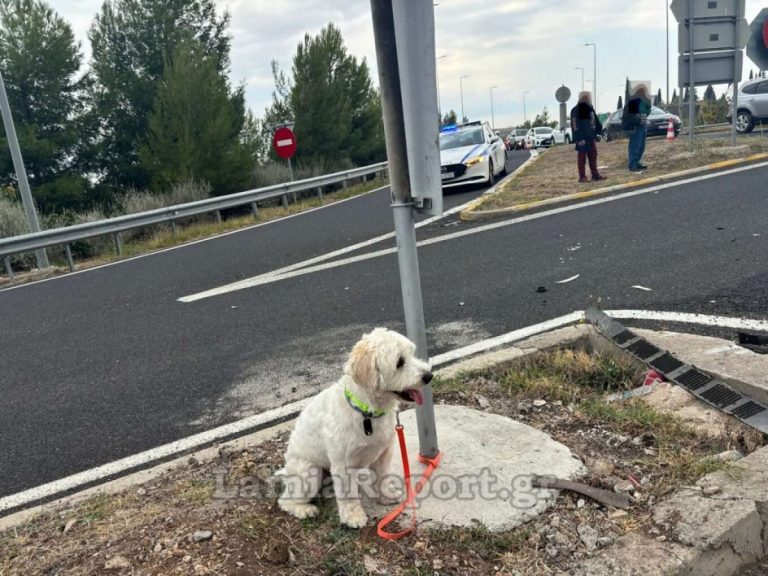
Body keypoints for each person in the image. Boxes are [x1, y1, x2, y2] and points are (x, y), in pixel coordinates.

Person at [570, 91, 606, 183]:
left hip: (591, 138)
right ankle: (582, 177)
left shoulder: (590, 109)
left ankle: (595, 175)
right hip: (582, 139)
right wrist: (579, 138)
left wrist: (599, 131)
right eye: (586, 97)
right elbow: (575, 125)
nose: (588, 98)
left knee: (593, 156)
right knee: (582, 159)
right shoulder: (576, 110)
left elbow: (595, 121)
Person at [623, 85, 651, 171]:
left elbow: (646, 112)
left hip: (642, 126)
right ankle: (632, 164)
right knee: (635, 146)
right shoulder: (632, 102)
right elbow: (629, 116)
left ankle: (637, 162)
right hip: (635, 127)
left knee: (641, 145)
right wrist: (639, 120)